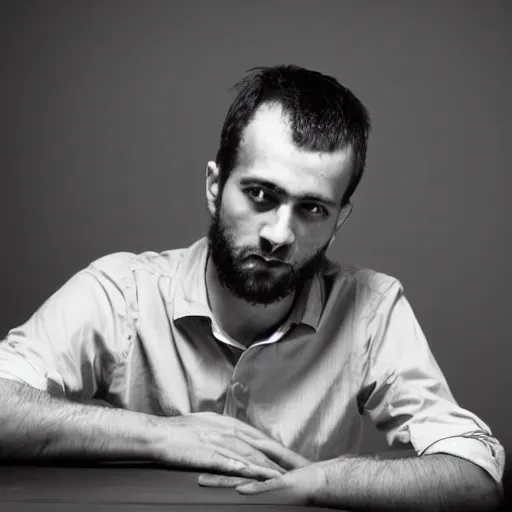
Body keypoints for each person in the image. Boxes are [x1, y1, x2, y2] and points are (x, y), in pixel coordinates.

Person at [0, 65, 504, 511]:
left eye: (312, 209)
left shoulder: (369, 308)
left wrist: (323, 480)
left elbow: (474, 476)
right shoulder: (121, 291)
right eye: (260, 194)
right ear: (215, 187)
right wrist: (160, 436)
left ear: (338, 219)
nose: (279, 235)